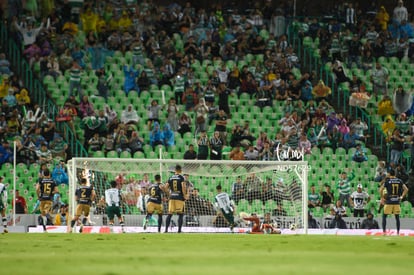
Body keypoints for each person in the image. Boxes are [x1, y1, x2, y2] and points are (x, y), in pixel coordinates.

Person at [379, 169, 409, 235]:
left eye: (388, 173)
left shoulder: (387, 181)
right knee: (397, 217)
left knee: (384, 216)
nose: (387, 174)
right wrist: (401, 196)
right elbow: (406, 189)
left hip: (389, 200)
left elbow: (380, 189)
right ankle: (398, 232)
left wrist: (382, 198)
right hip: (397, 201)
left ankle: (384, 232)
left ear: (389, 174)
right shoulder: (399, 181)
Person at [164, 165, 188, 233]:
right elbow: (183, 187)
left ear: (175, 170)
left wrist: (169, 194)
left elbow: (165, 187)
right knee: (180, 214)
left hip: (172, 197)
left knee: (170, 214)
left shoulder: (170, 177)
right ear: (180, 170)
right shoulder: (181, 177)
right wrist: (185, 195)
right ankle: (179, 230)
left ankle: (166, 230)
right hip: (179, 197)